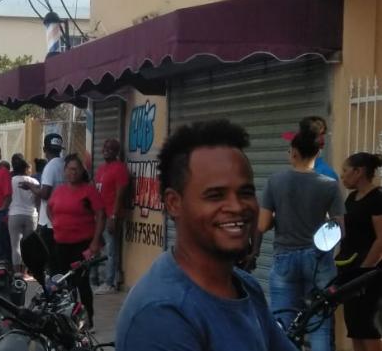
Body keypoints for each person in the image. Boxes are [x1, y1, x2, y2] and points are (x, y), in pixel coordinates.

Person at [116, 120, 296, 351]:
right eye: (215, 195)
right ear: (174, 203)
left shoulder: (245, 286)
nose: (237, 206)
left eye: (246, 192)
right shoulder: (160, 315)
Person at [252, 127, 345, 351]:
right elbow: (339, 227)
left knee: (283, 324)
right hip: (319, 260)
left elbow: (262, 225)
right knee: (320, 323)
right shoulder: (329, 185)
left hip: (285, 257)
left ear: (293, 152)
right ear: (317, 154)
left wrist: (280, 218)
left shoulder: (275, 181)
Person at [47, 154, 104, 328]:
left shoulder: (89, 190)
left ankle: (89, 320)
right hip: (61, 244)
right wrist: (57, 224)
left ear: (82, 172)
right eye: (70, 169)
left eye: (77, 169)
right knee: (65, 284)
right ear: (65, 171)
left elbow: (101, 215)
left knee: (81, 283)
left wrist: (95, 242)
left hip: (81, 245)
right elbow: (50, 209)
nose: (74, 172)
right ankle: (70, 319)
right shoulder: (59, 191)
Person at [338, 152, 382, 351]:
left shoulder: (377, 198)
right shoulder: (352, 198)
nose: (343, 176)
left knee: (367, 328)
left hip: (366, 274)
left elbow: (381, 239)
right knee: (354, 327)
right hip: (349, 269)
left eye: (345, 171)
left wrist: (364, 270)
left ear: (359, 172)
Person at [93, 138, 130, 295]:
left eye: (111, 148)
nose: (107, 150)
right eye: (105, 147)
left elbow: (120, 195)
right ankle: (96, 279)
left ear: (116, 152)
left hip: (110, 216)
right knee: (97, 248)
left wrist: (113, 216)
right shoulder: (101, 169)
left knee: (111, 250)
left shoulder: (119, 169)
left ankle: (110, 282)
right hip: (99, 216)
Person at [8, 154, 39, 275]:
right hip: (31, 215)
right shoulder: (34, 181)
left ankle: (17, 272)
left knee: (15, 244)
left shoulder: (11, 181)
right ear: (26, 169)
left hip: (14, 214)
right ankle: (25, 272)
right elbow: (37, 200)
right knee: (28, 245)